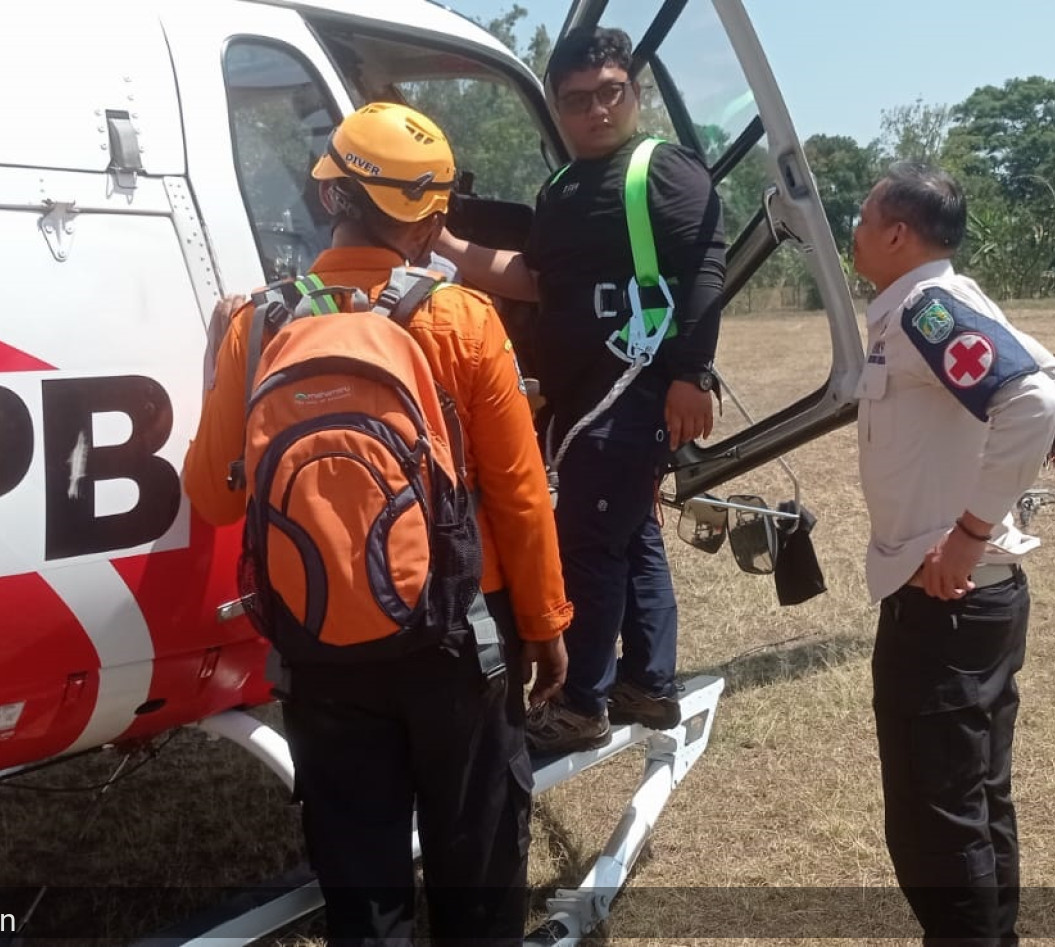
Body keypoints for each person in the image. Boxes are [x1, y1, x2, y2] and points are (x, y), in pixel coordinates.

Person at [182, 102, 573, 946]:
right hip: (458, 641)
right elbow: (518, 493)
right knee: (478, 869)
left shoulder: (257, 326)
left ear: (329, 197)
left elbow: (212, 497)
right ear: (431, 221)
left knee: (364, 887)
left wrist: (220, 356)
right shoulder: (462, 320)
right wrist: (544, 625)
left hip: (318, 642)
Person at [433, 26, 727, 753]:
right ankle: (649, 685)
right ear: (558, 108)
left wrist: (692, 375)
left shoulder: (663, 169)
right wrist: (440, 243)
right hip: (584, 397)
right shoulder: (562, 188)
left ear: (635, 92)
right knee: (631, 540)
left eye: (611, 93)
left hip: (630, 393)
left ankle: (583, 701)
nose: (596, 111)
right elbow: (532, 278)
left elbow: (705, 270)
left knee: (590, 546)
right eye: (577, 100)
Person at [846, 161, 1055, 947]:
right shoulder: (939, 300)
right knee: (972, 801)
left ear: (898, 233)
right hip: (968, 599)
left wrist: (971, 528)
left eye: (863, 216)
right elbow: (1051, 375)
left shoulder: (926, 306)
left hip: (945, 597)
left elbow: (1038, 397)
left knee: (933, 821)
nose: (853, 229)